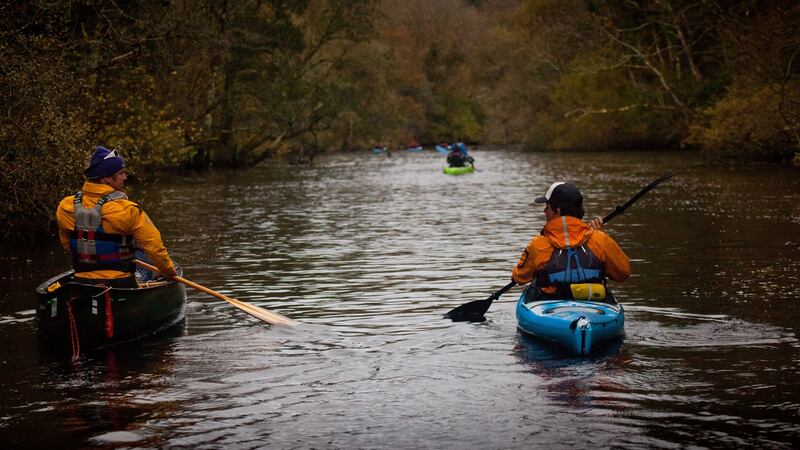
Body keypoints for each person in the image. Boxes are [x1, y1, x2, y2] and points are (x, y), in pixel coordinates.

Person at [56, 146, 178, 288]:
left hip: (82, 283)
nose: (125, 177)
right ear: (107, 178)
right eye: (121, 173)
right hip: (120, 284)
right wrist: (168, 271)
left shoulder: (65, 206)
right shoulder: (128, 210)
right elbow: (154, 247)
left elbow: (68, 244)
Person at [511, 182, 630, 301]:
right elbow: (623, 273)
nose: (544, 211)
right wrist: (599, 236)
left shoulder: (538, 244)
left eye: (547, 207)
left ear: (557, 211)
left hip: (550, 308)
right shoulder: (600, 239)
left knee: (534, 285)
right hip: (593, 303)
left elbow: (519, 277)